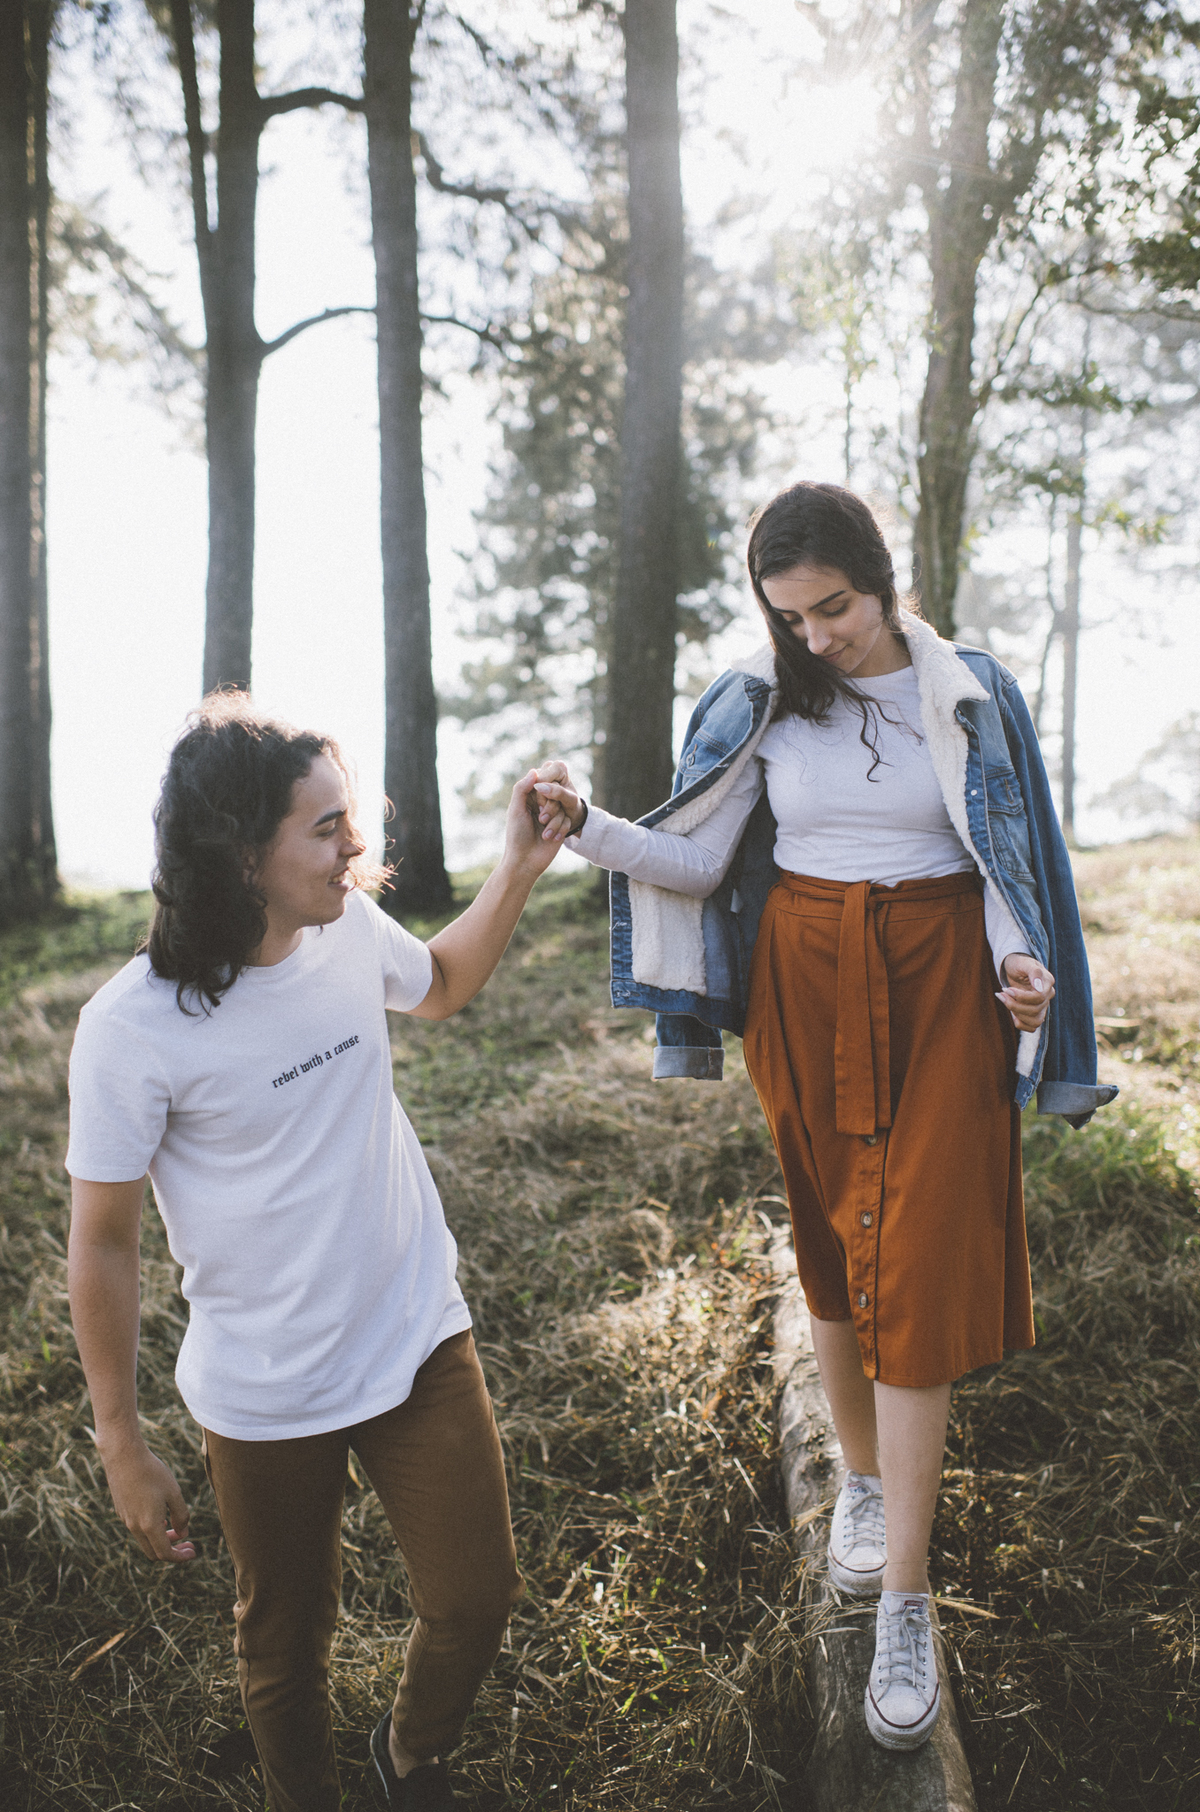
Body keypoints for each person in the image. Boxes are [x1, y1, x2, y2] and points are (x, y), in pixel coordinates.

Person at [532, 481, 1115, 1754]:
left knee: (918, 1264)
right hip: (804, 977)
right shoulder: (759, 698)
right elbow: (697, 858)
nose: (815, 637)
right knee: (836, 1249)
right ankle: (856, 1481)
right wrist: (589, 830)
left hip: (943, 981)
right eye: (789, 616)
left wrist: (1031, 983)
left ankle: (906, 1597)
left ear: (881, 580)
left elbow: (1019, 864)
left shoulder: (970, 692)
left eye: (833, 609)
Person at [66, 695, 567, 1812]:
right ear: (242, 856)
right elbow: (101, 1242)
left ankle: (409, 1761)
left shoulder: (342, 930)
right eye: (326, 827)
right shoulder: (130, 1028)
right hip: (263, 1388)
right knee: (286, 1643)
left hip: (412, 1329)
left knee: (475, 1600)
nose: (357, 848)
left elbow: (438, 986)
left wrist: (520, 871)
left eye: (352, 820)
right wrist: (120, 1441)